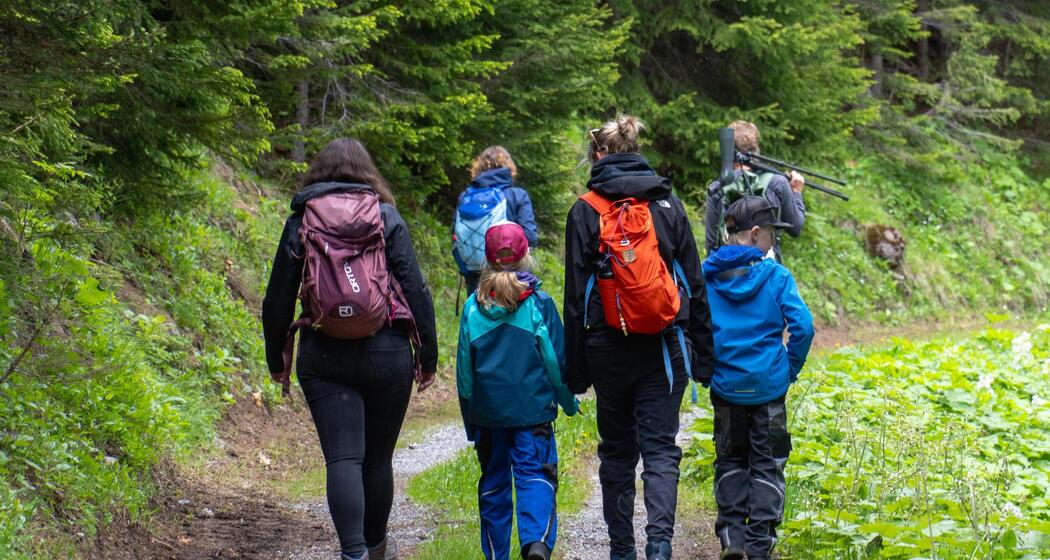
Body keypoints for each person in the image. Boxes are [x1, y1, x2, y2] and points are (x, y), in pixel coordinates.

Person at [262, 138, 438, 560]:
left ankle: (354, 553)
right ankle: (376, 550)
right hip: (388, 351)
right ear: (367, 172)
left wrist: (276, 359)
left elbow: (278, 297)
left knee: (343, 458)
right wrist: (427, 358)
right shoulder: (385, 216)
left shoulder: (302, 219)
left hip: (324, 353)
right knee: (376, 461)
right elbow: (415, 288)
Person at [563, 115, 715, 560]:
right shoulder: (667, 204)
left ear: (599, 155)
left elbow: (575, 296)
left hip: (606, 347)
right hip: (664, 345)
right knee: (661, 450)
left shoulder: (585, 208)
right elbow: (695, 283)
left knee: (616, 452)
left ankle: (621, 550)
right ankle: (660, 545)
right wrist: (704, 355)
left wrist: (576, 369)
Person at [700, 196, 815, 560]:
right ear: (754, 234)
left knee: (731, 460)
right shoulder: (776, 276)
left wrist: (705, 370)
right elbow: (804, 328)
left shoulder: (706, 277)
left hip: (727, 388)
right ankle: (760, 543)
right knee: (768, 462)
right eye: (769, 235)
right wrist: (788, 368)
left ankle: (732, 537)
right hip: (768, 389)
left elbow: (692, 328)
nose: (772, 243)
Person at [456, 222, 578, 560]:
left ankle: (497, 554)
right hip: (533, 412)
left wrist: (471, 419)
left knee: (494, 483)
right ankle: (535, 543)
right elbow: (555, 361)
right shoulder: (538, 302)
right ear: (526, 256)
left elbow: (464, 373)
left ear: (487, 259)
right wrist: (567, 401)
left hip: (489, 415)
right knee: (534, 473)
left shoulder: (471, 307)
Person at [704, 120, 806, 262]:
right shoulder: (777, 182)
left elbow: (711, 244)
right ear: (756, 149)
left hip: (728, 274)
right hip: (767, 274)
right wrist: (796, 192)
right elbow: (795, 228)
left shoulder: (717, 188)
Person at [454, 146, 539, 296]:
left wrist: (469, 270)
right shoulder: (517, 195)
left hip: (478, 279)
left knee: (478, 317)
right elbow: (530, 236)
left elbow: (456, 239)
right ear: (509, 167)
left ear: (478, 168)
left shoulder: (466, 197)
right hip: (515, 280)